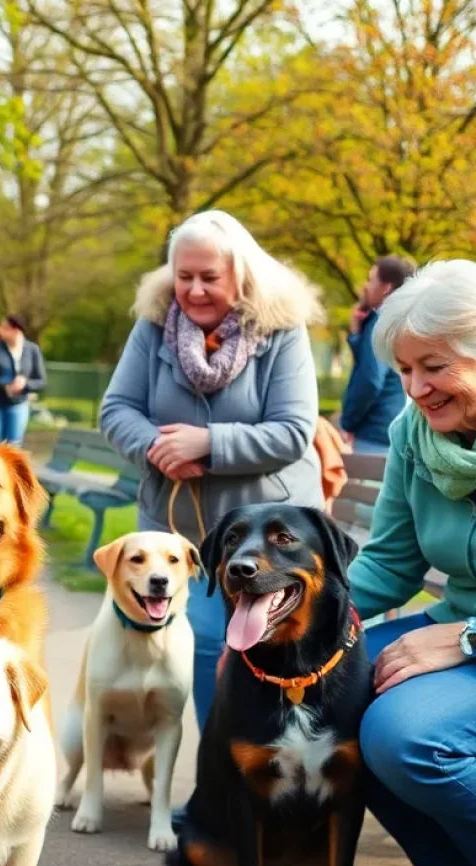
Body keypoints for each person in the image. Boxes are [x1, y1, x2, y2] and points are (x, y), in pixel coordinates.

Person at [100, 209, 324, 731]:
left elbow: (294, 429)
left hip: (268, 533)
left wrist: (209, 444)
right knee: (200, 642)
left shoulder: (281, 330)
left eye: (209, 277)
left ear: (240, 276)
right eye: (184, 276)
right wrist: (157, 445)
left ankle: (273, 772)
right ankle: (219, 779)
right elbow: (117, 409)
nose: (195, 290)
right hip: (178, 530)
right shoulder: (153, 325)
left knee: (268, 647)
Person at [344, 260, 476, 866]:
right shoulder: (414, 433)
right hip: (457, 620)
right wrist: (295, 631)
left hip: (468, 637)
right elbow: (389, 563)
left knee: (407, 738)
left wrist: (464, 640)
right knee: (325, 692)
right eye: (404, 370)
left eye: (435, 366)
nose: (417, 390)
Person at [339, 256, 414, 454]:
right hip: (391, 427)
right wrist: (356, 336)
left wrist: (347, 423)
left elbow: (370, 379)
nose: (365, 286)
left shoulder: (379, 324)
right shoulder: (401, 322)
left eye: (371, 280)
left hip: (373, 434)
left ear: (386, 288)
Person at [0, 315, 46, 446]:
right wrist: (4, 384)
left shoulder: (32, 350)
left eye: (4, 328)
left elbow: (41, 381)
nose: (0, 330)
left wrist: (26, 384)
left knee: (13, 446)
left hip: (18, 404)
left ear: (16, 330)